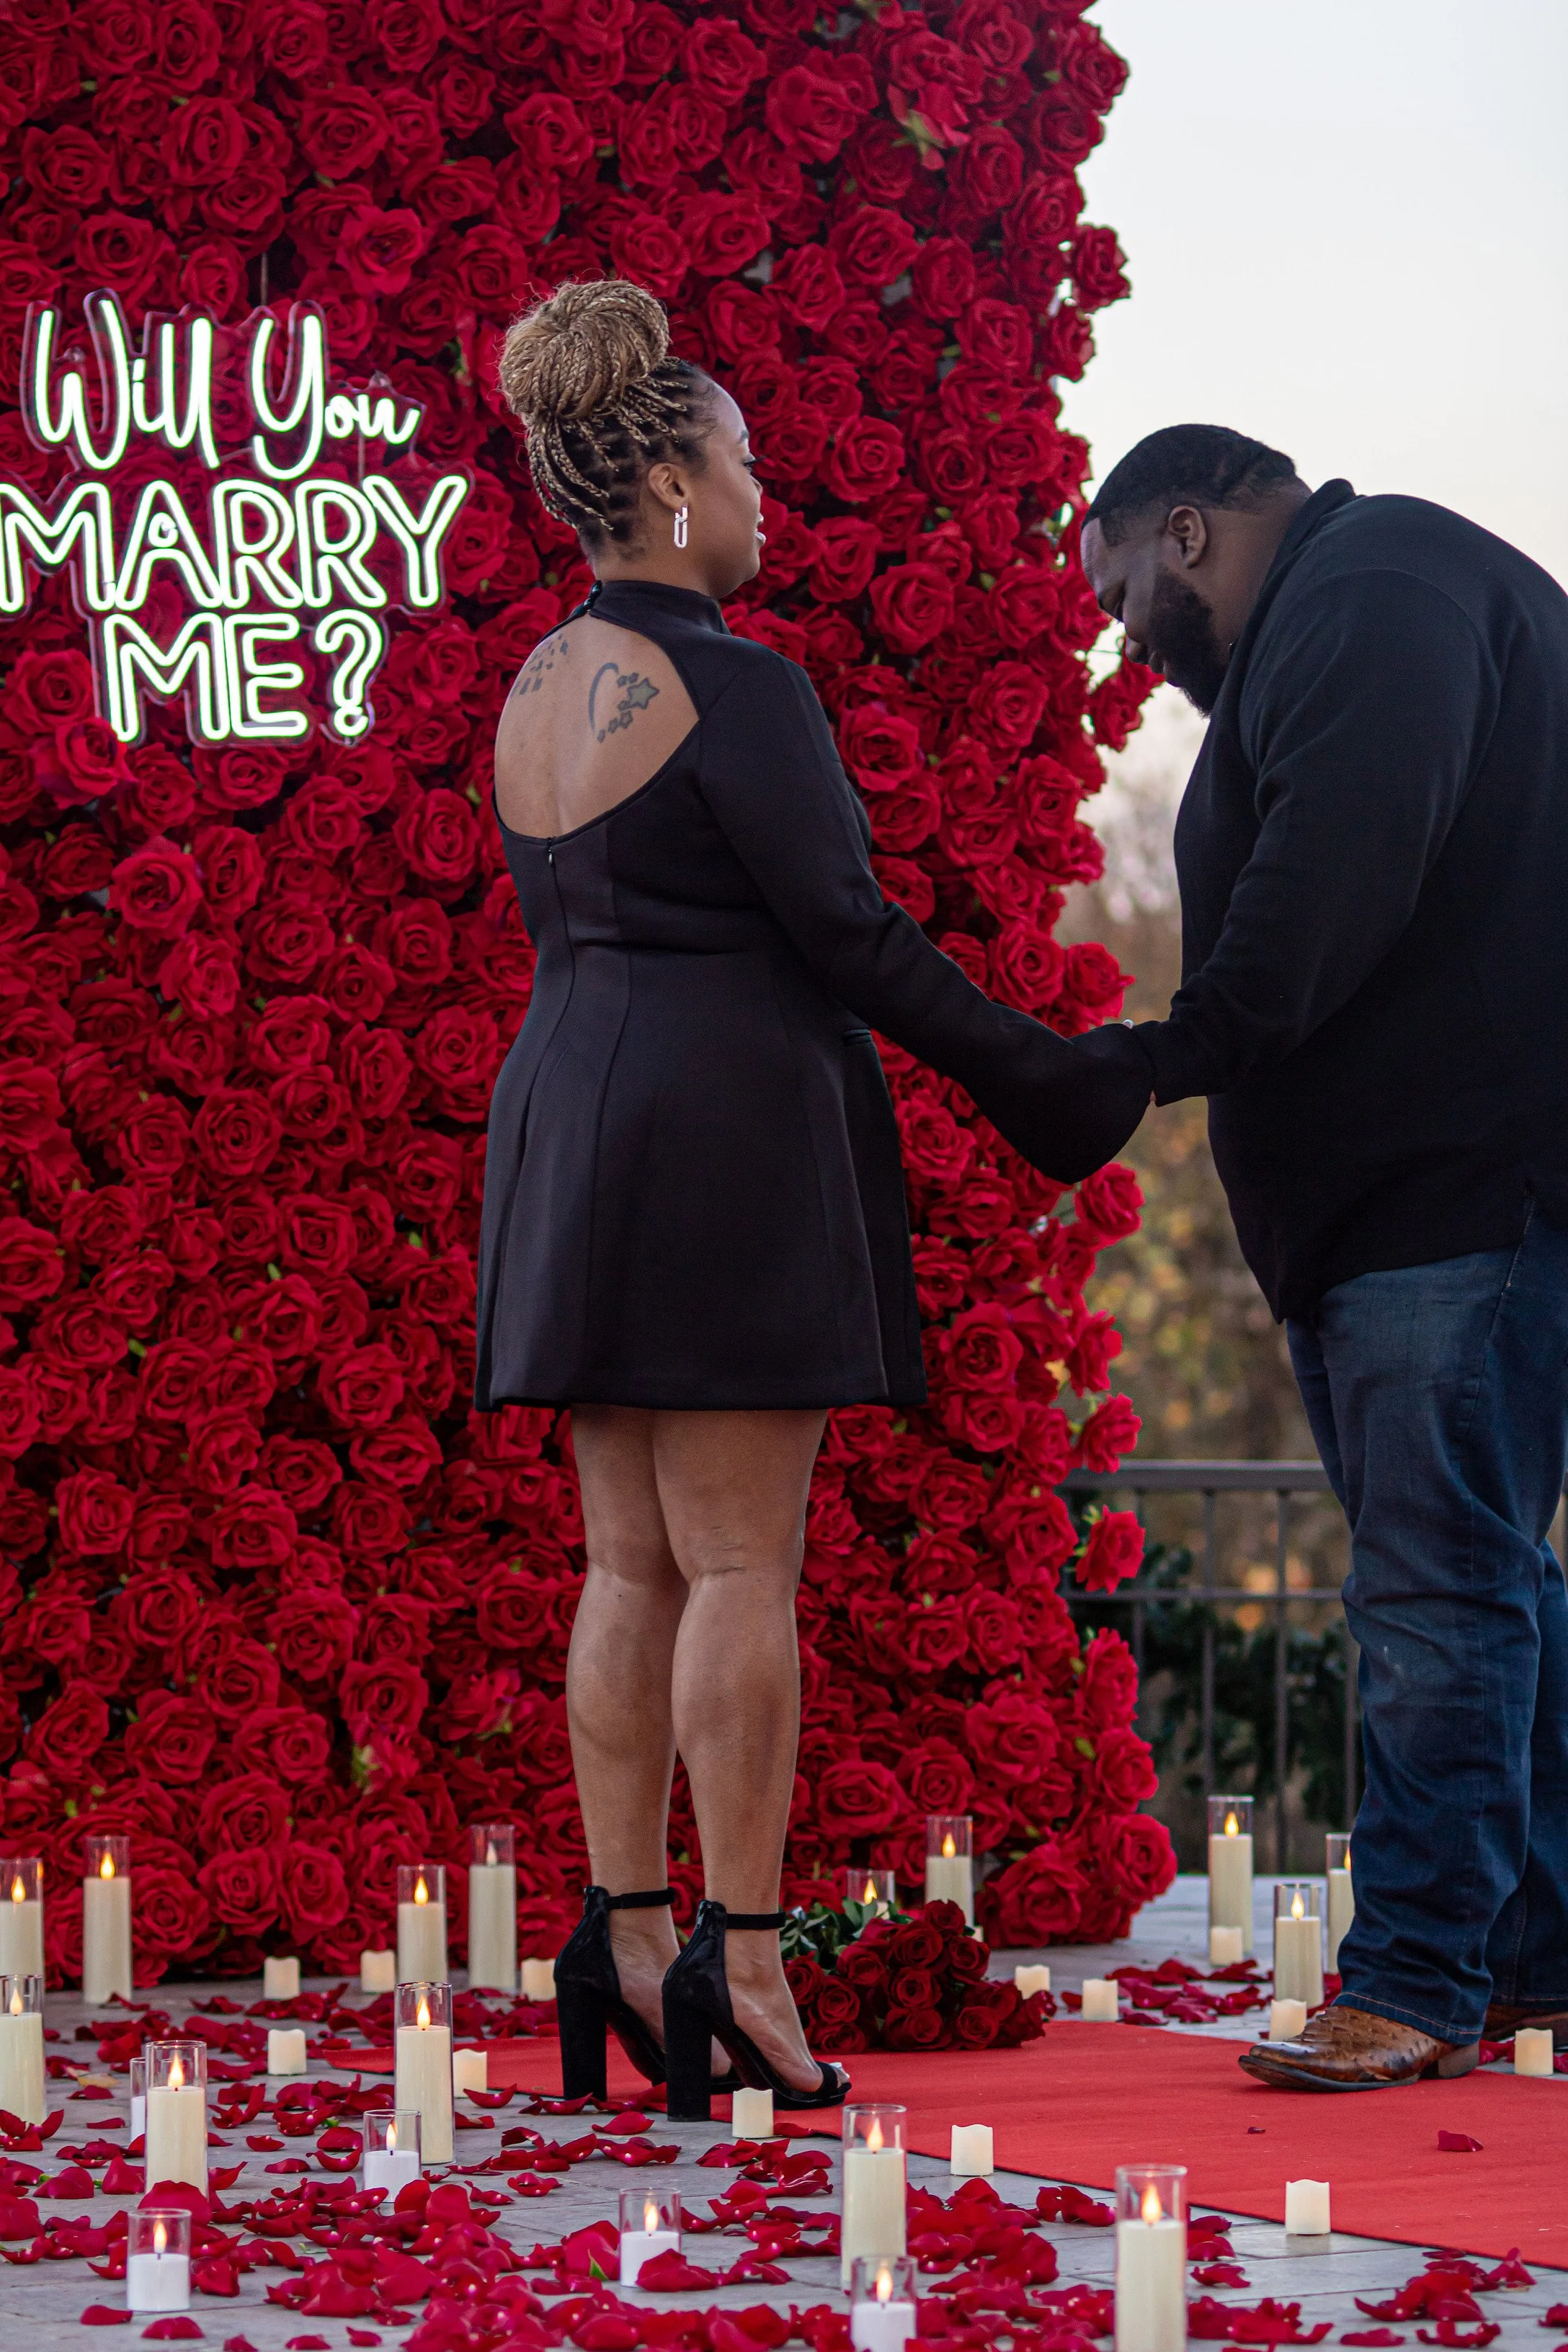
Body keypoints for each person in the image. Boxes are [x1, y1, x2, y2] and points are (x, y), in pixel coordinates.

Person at [477, 278, 1149, 2119]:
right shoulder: (735, 680)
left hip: (567, 1119)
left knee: (622, 1560)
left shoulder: (539, 681)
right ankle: (745, 1960)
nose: (768, 497)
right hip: (717, 1137)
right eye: (749, 465)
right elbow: (844, 933)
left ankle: (621, 1931)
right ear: (678, 486)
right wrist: (1046, 1079)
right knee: (739, 1565)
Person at [1077, 424, 1568, 2091]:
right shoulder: (1359, 606)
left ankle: (1419, 1975)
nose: (1123, 641)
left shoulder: (1379, 592)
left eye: (1125, 591)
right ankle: (1539, 1962)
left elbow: (1322, 885)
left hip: (1448, 1195)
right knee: (1488, 1582)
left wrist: (1153, 1053)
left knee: (1436, 1592)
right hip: (1401, 1206)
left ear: (1191, 529)